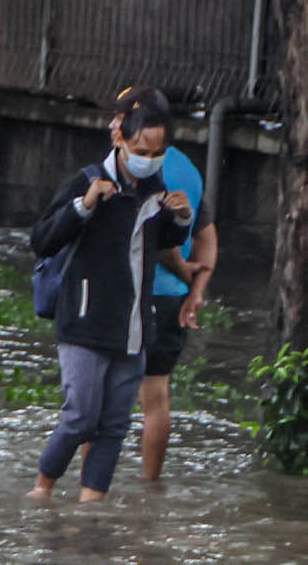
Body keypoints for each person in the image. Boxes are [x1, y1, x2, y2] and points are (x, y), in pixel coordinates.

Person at [27, 88, 193, 504]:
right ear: (120, 138)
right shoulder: (87, 182)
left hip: (133, 328)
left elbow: (161, 242)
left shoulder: (157, 190)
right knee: (80, 417)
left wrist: (181, 219)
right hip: (83, 324)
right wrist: (83, 206)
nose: (148, 159)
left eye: (158, 152)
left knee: (115, 424)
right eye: (141, 149)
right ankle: (42, 488)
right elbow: (42, 240)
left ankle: (91, 504)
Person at [113, 85, 215, 489]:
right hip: (174, 299)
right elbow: (207, 234)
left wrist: (184, 269)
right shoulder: (188, 167)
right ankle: (150, 485)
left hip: (132, 294)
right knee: (157, 398)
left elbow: (159, 243)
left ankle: (92, 486)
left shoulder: (128, 166)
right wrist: (198, 285)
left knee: (107, 396)